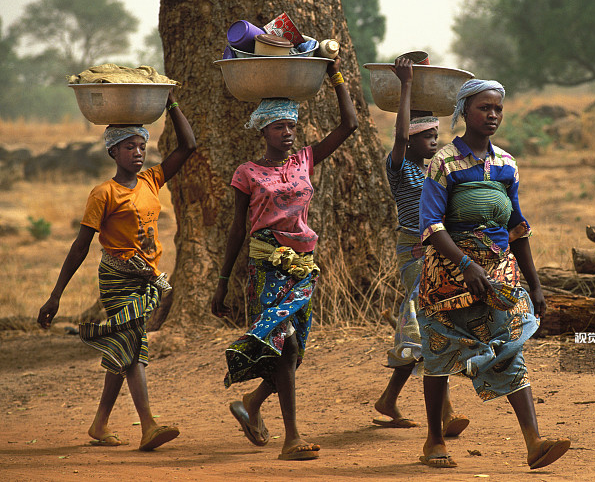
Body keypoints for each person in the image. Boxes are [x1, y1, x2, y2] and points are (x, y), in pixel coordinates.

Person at [415, 79, 570, 469]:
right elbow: (431, 225)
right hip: (448, 279)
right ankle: (434, 440)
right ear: (465, 111)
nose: (493, 115)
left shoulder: (506, 164)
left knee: (510, 347)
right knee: (440, 355)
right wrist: (465, 265)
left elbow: (517, 228)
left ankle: (534, 442)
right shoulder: (444, 162)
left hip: (499, 277)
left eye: (498, 108)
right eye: (484, 107)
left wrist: (535, 284)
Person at [211, 57, 358, 461]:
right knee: (284, 344)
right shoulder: (247, 173)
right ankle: (291, 437)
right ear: (263, 130)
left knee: (294, 351)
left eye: (292, 126)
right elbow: (237, 229)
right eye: (279, 127)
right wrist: (222, 281)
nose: (288, 133)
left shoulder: (304, 160)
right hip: (266, 266)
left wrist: (335, 75)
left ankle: (253, 402)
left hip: (303, 266)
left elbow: (349, 125)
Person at [37, 91, 196, 451]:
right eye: (129, 147)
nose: (138, 153)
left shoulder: (152, 180)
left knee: (125, 346)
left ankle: (99, 423)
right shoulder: (103, 193)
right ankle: (149, 424)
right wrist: (55, 295)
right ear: (113, 151)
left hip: (146, 279)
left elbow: (188, 146)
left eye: (142, 146)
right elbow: (80, 246)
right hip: (117, 279)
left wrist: (171, 102)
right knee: (134, 344)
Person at [373, 57, 469, 437]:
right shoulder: (399, 168)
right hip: (413, 248)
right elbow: (397, 137)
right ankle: (446, 413)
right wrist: (407, 85)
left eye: (436, 135)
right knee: (426, 320)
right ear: (411, 139)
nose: (434, 141)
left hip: (437, 248)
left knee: (428, 322)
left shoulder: (434, 170)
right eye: (428, 136)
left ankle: (389, 399)